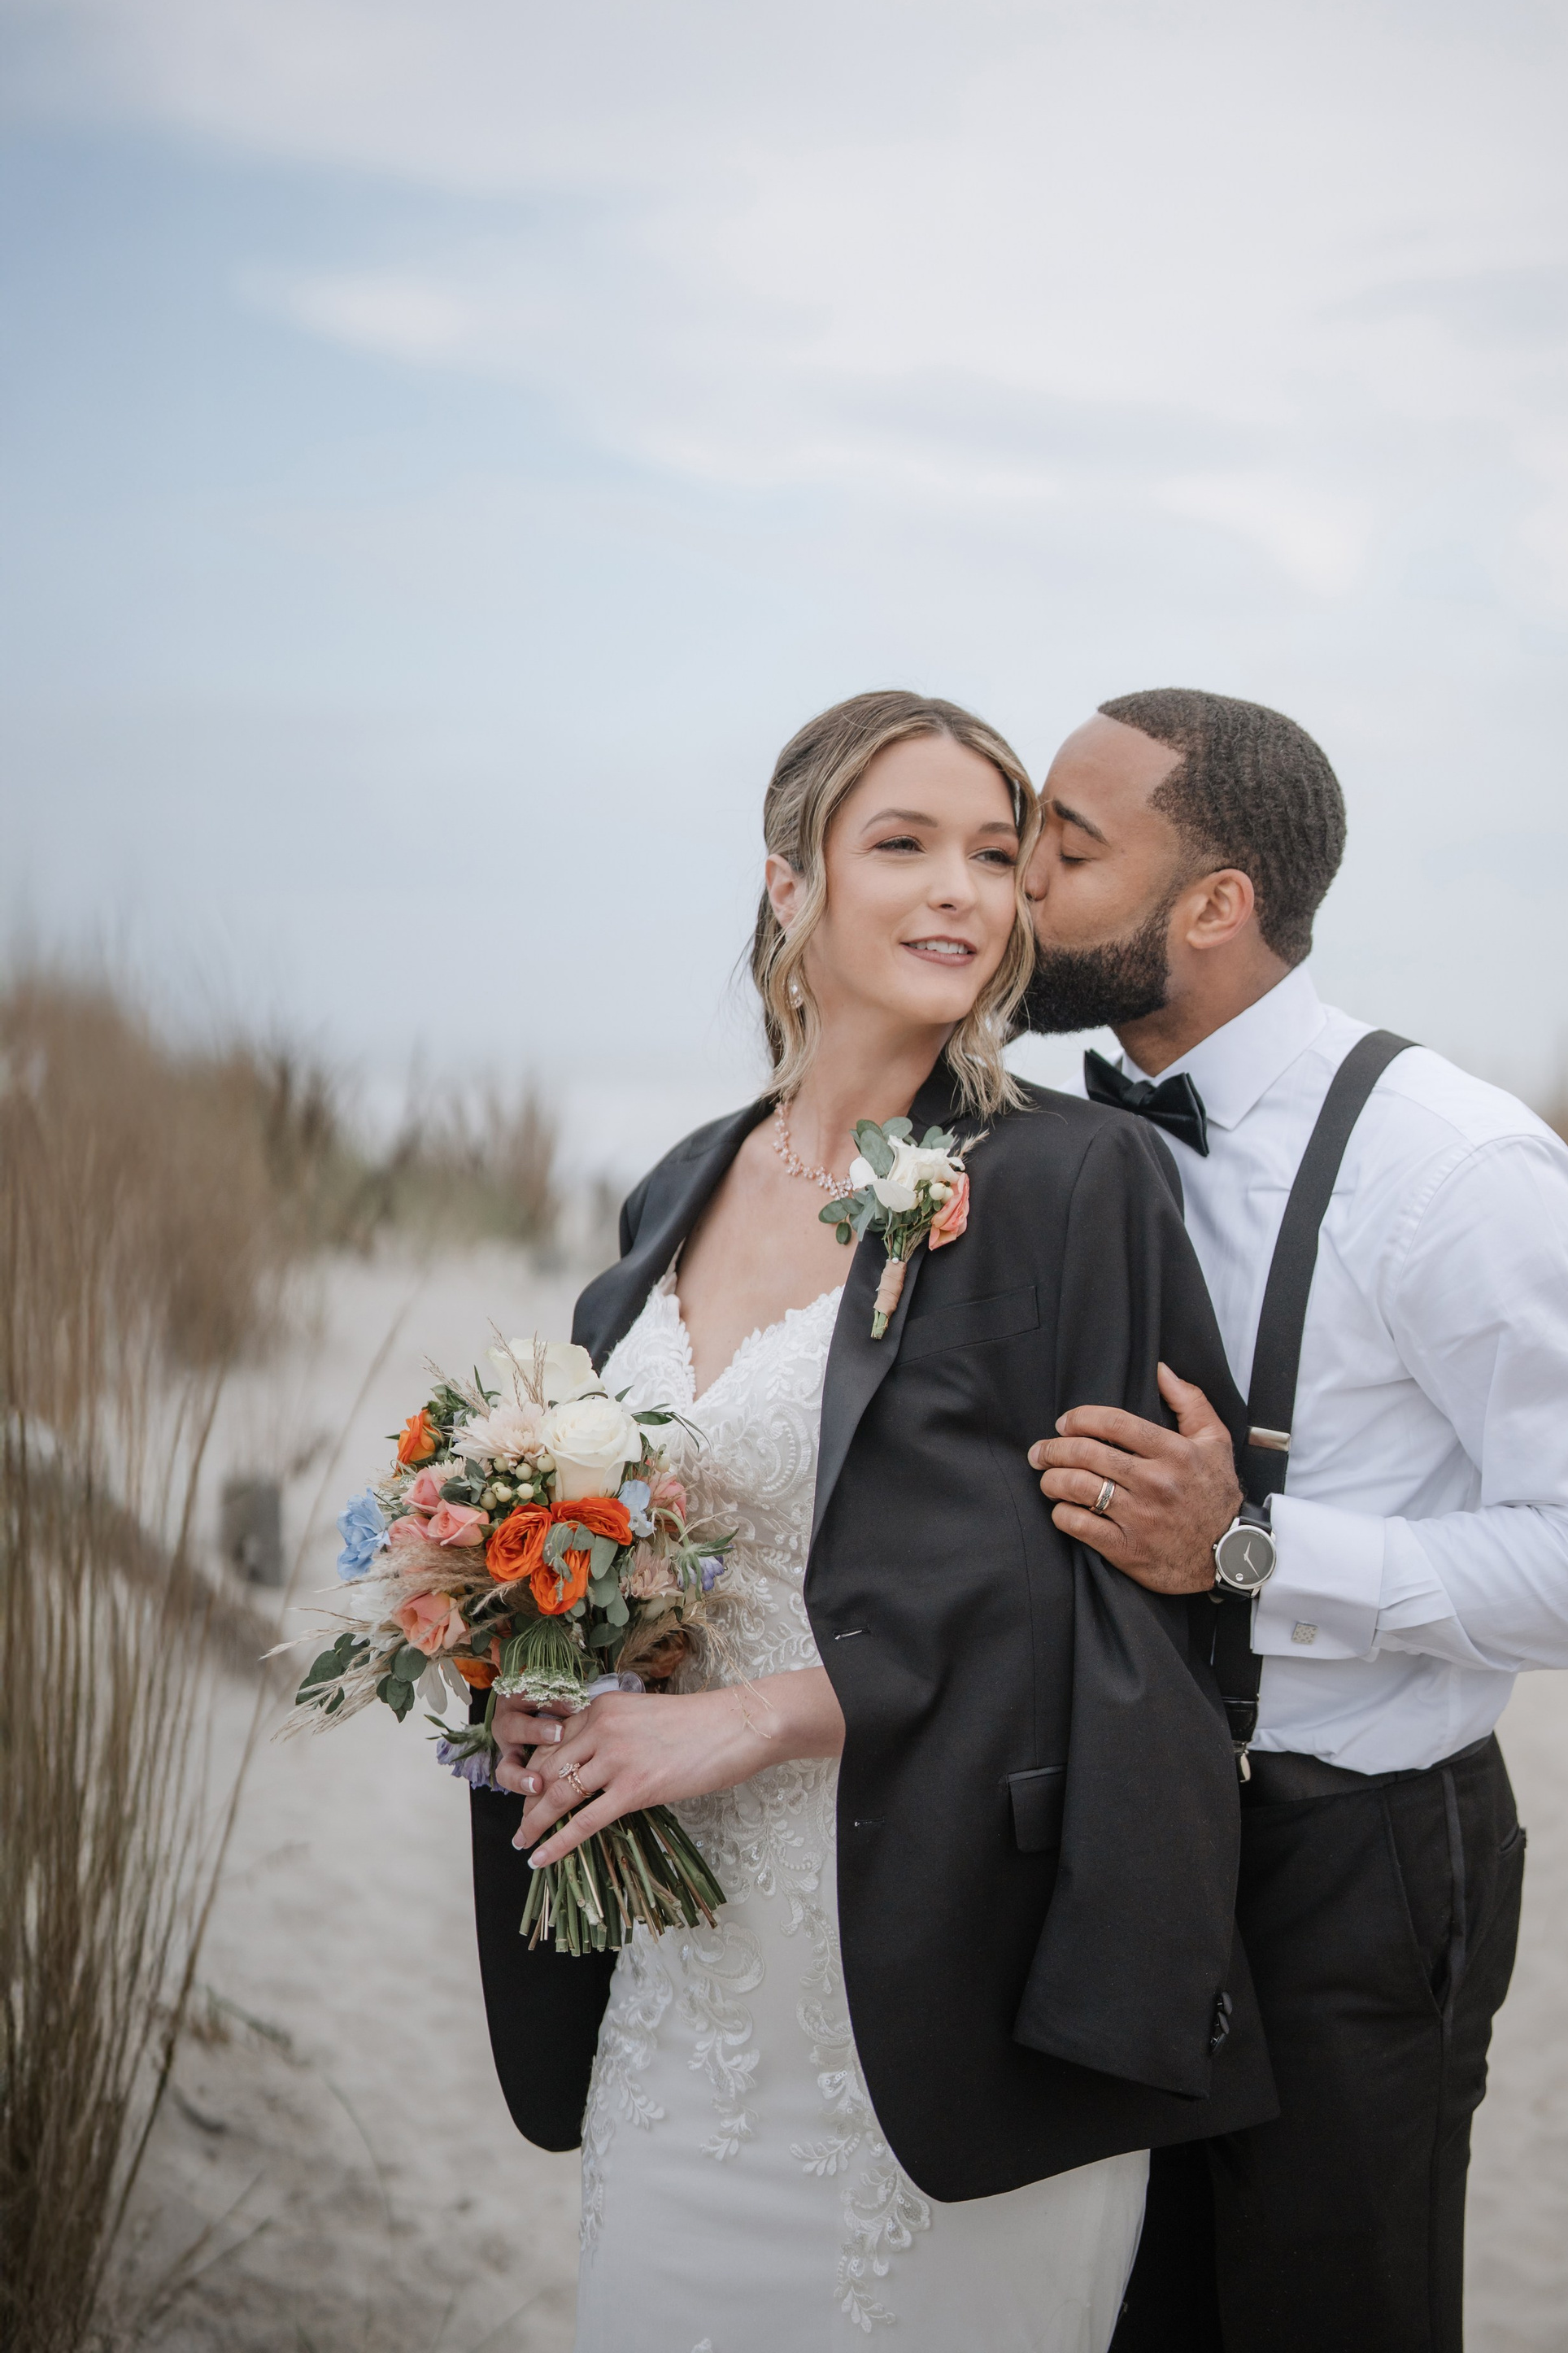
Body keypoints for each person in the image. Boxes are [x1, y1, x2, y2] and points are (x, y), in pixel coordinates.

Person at [466, 689, 1277, 2353]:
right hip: (684, 1983)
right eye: (900, 844)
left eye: (995, 853)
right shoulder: (675, 1182)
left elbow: (1107, 1614)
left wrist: (751, 1719)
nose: (959, 891)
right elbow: (630, 1536)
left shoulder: (1073, 1180)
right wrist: (538, 1650)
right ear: (789, 885)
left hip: (947, 1969)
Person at [1018, 688, 1568, 2353]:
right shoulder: (1038, 1137)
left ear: (1214, 904)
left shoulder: (1455, 1168)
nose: (1012, 875)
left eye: (1064, 843)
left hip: (1350, 1854)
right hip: (1111, 1845)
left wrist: (1249, 1553)